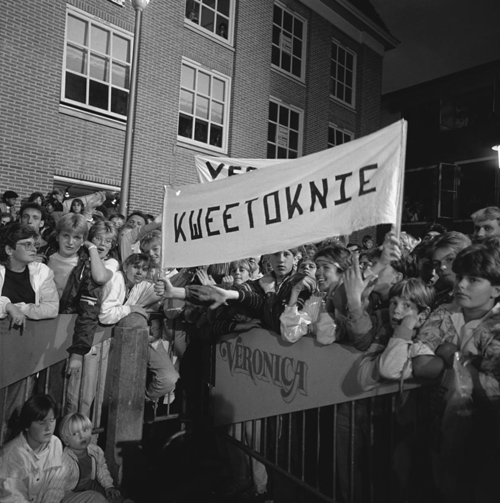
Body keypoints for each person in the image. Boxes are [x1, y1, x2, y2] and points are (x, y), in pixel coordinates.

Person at [99, 253, 179, 422]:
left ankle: (146, 400)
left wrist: (185, 274)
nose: (139, 272)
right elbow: (105, 315)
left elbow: (163, 292)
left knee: (169, 378)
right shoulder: (117, 279)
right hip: (113, 342)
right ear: (125, 266)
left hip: (145, 338)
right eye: (135, 267)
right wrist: (131, 309)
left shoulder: (141, 285)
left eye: (144, 269)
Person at [0, 394, 64, 503]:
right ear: (27, 426)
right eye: (41, 423)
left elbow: (56, 486)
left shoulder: (55, 443)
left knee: (92, 497)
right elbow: (14, 498)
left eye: (52, 420)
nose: (48, 427)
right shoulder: (11, 454)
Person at [58, 412, 122, 503]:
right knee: (96, 498)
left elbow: (101, 470)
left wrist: (109, 486)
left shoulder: (96, 451)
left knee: (115, 497)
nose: (82, 436)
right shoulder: (64, 459)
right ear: (66, 441)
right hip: (69, 493)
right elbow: (57, 485)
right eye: (75, 433)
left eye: (85, 430)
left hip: (90, 486)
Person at [430, 231, 471, 307]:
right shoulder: (436, 298)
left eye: (449, 259)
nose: (442, 267)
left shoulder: (478, 294)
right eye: (436, 263)